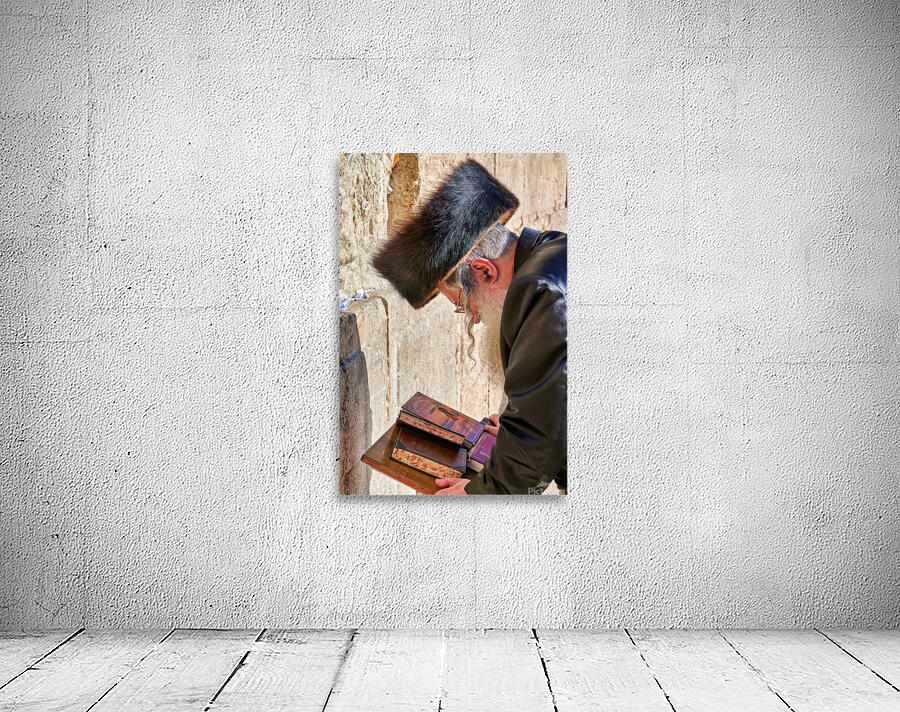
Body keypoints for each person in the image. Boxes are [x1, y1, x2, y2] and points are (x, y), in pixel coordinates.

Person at [372, 159, 567, 495]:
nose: (474, 318)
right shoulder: (554, 250)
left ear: (484, 271)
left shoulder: (538, 293)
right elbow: (555, 406)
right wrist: (512, 434)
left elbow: (536, 441)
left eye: (464, 304)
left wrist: (471, 495)